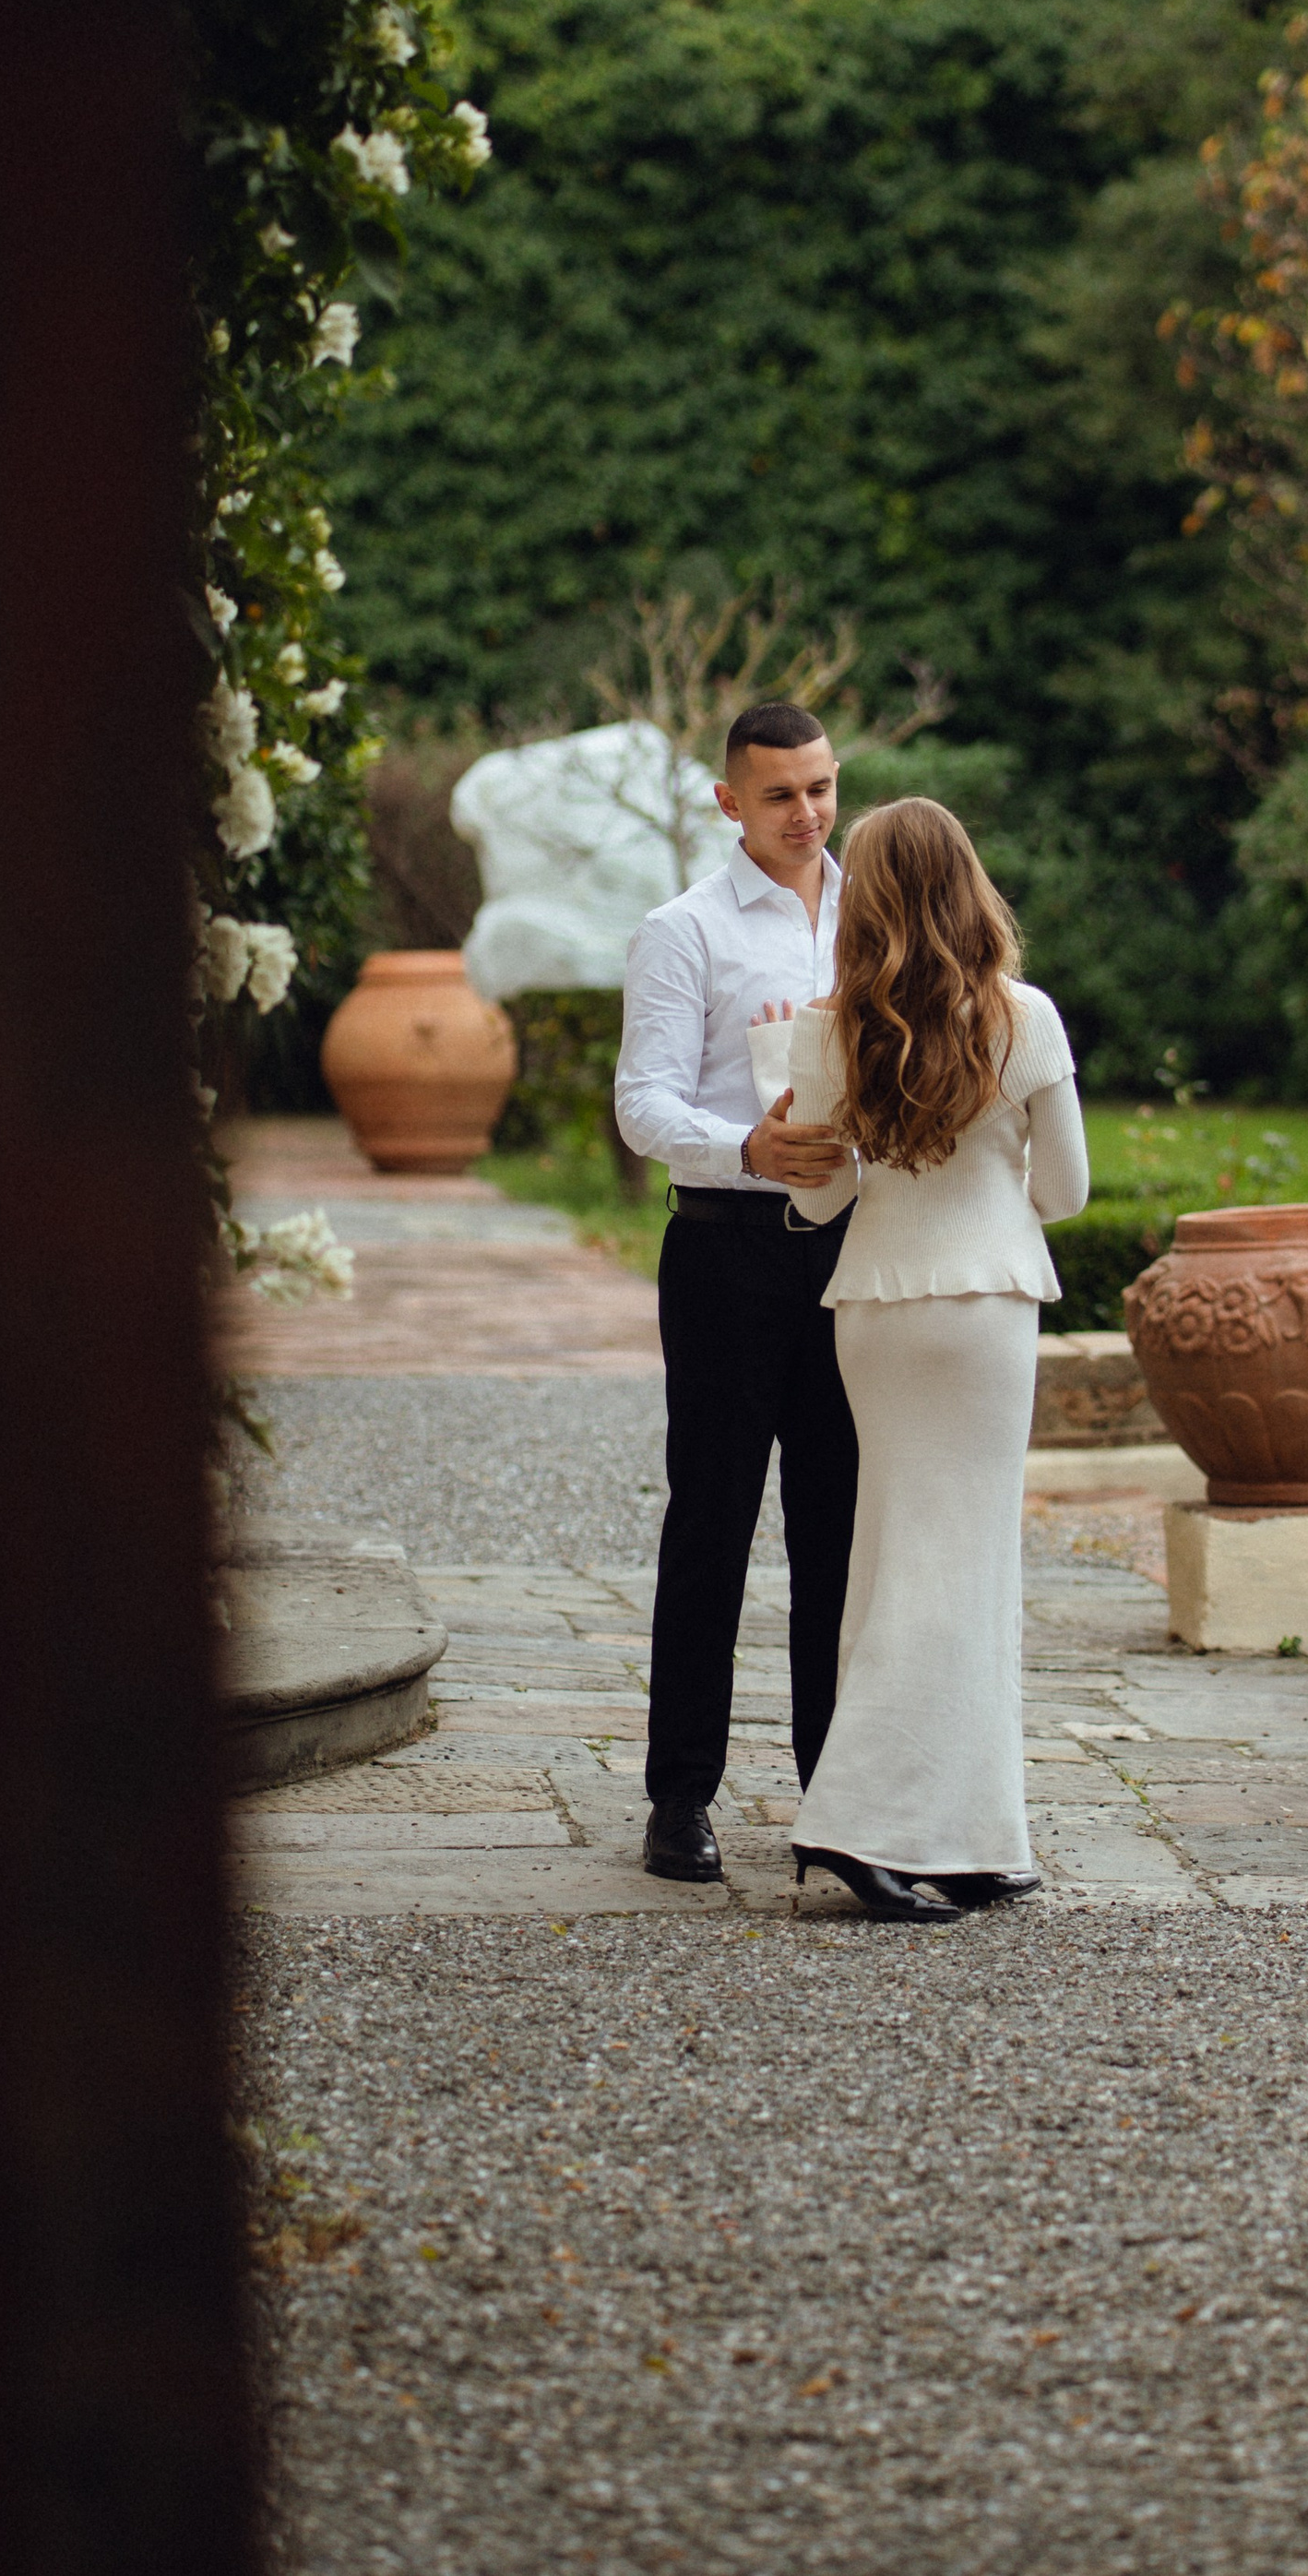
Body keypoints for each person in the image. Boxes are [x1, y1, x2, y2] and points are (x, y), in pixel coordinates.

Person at [768, 796, 1089, 1924]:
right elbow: (1066, 1191)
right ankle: (857, 1823)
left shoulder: (830, 1027)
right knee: (962, 1566)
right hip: (986, 1308)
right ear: (969, 883)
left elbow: (819, 1199)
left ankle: (972, 1837)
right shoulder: (1025, 1016)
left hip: (877, 1309)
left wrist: (794, 1118)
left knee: (898, 1556)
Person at [612, 701, 859, 1886]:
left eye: (820, 786)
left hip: (853, 1253)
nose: (806, 813)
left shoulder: (876, 917)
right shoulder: (683, 930)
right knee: (711, 1518)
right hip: (723, 1250)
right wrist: (744, 1149)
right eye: (779, 794)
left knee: (840, 1525)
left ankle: (841, 1791)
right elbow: (643, 1103)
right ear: (728, 802)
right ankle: (679, 1796)